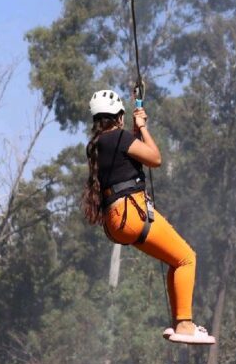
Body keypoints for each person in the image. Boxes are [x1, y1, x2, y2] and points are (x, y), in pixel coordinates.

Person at [81, 89, 215, 345]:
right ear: (118, 117)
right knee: (187, 258)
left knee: (175, 260)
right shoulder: (118, 138)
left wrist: (134, 129)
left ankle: (181, 323)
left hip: (116, 221)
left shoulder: (98, 145)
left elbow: (125, 160)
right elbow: (155, 158)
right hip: (132, 213)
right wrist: (142, 128)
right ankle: (185, 324)